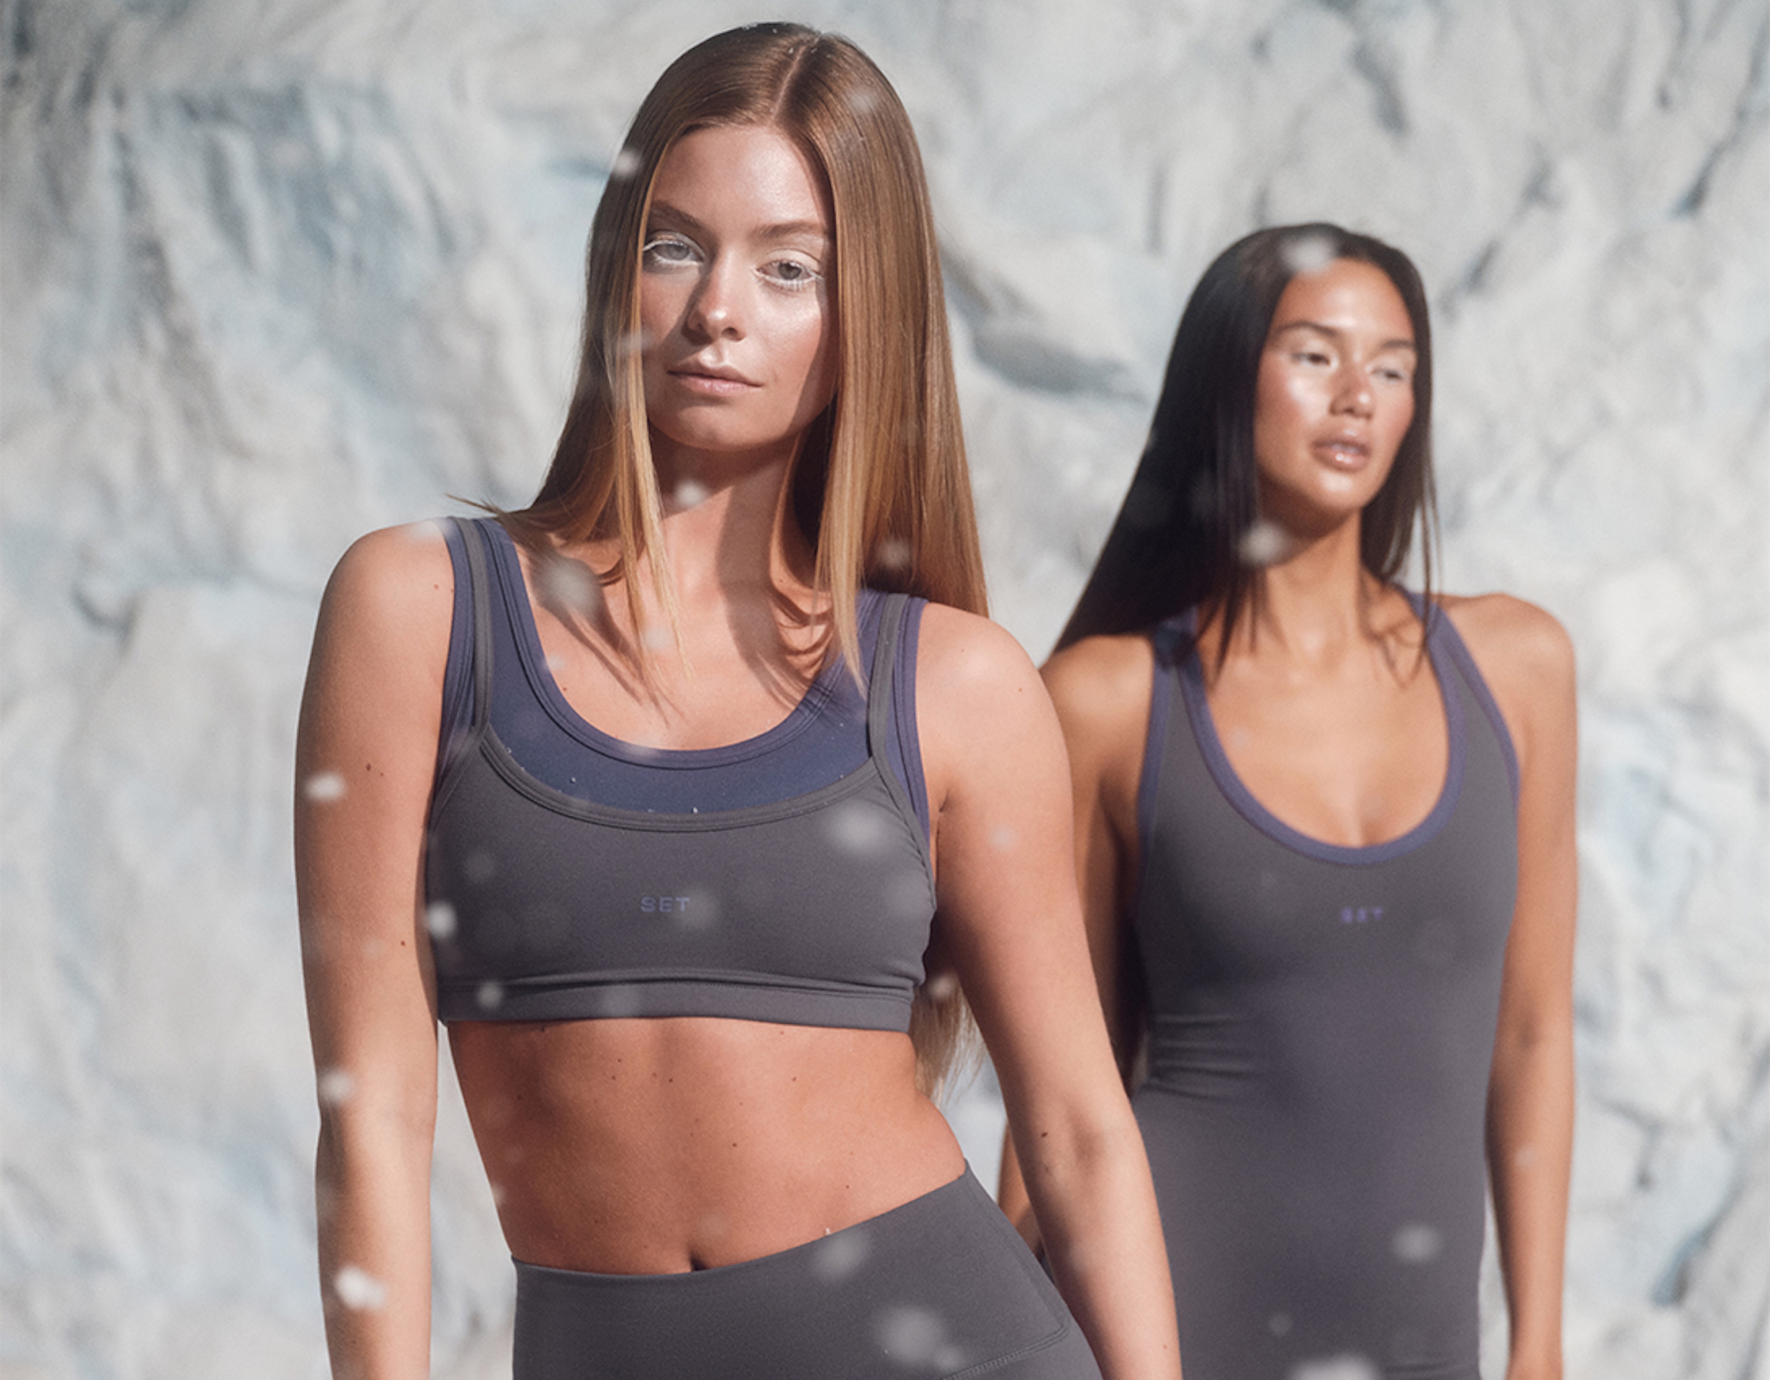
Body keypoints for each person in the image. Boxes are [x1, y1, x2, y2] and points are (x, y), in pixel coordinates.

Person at [295, 23, 1180, 1380]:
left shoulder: (954, 684)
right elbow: (370, 1117)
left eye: (788, 269)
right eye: (674, 245)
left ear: (859, 316)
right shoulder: (416, 612)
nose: (718, 309)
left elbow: (1073, 1126)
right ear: (616, 271)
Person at [998, 224, 1576, 1380]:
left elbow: (1531, 1031)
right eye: (1315, 355)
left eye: (1394, 365)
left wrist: (1542, 1344)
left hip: (1425, 1343)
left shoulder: (1517, 667)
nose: (1358, 394)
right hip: (1164, 1326)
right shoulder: (1110, 702)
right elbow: (1064, 1079)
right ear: (1229, 378)